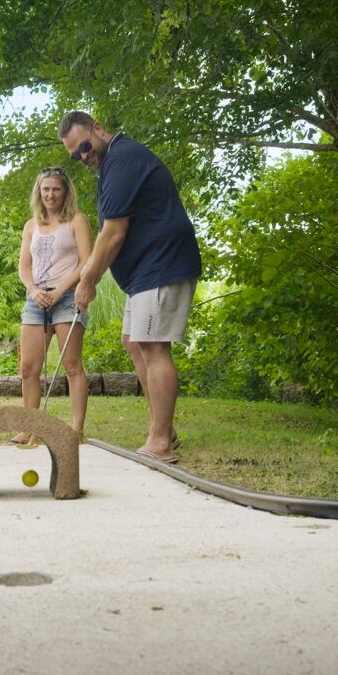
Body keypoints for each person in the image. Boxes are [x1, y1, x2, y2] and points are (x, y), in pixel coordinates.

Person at [59, 111, 201, 463]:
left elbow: (113, 234)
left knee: (153, 346)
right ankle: (163, 428)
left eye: (85, 147)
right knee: (133, 341)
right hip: (145, 272)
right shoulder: (113, 165)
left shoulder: (122, 159)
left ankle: (160, 442)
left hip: (162, 263)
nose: (83, 157)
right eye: (75, 155)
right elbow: (111, 233)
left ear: (98, 129)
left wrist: (87, 281)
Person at [12, 166, 92, 444]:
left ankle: (76, 430)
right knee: (28, 368)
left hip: (67, 297)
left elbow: (86, 262)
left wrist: (60, 291)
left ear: (65, 192)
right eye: (46, 189)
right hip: (36, 300)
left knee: (71, 364)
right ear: (39, 192)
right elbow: (24, 267)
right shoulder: (31, 226)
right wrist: (33, 290)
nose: (50, 194)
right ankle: (30, 428)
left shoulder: (77, 221)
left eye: (56, 189)